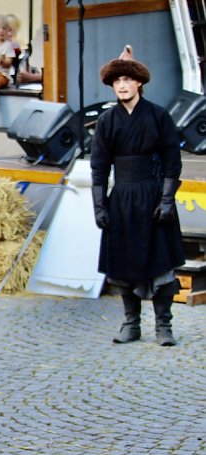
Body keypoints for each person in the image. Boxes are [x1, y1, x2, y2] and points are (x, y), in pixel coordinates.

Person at [91, 47, 185, 347]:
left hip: (154, 196)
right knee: (123, 263)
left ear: (139, 83)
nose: (122, 85)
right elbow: (99, 166)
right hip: (122, 199)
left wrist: (167, 199)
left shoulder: (158, 116)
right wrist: (99, 206)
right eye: (117, 81)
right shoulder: (107, 121)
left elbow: (172, 161)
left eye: (127, 80)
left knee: (161, 263)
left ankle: (163, 326)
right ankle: (131, 324)